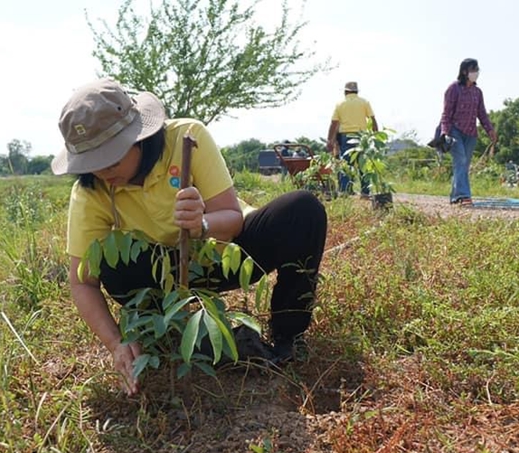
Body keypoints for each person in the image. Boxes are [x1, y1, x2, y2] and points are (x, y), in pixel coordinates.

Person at [52, 79, 328, 396]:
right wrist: (116, 343)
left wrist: (202, 225)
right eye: (93, 164)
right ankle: (166, 332)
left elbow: (232, 219)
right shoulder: (89, 192)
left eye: (112, 159)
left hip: (222, 252)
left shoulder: (187, 138)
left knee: (302, 211)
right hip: (161, 278)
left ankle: (287, 336)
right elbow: (82, 282)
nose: (103, 172)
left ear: (138, 138)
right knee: (112, 266)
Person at [441, 58, 498, 206]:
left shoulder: (477, 92)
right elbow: (446, 113)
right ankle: (463, 195)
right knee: (460, 160)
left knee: (463, 165)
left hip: (471, 133)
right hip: (454, 131)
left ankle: (455, 197)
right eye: (473, 70)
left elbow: (482, 113)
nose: (476, 73)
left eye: (477, 70)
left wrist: (490, 130)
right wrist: (445, 132)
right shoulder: (453, 89)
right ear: (464, 71)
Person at [326, 81, 378, 198]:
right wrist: (375, 136)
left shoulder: (340, 104)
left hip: (346, 136)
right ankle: (365, 192)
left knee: (345, 164)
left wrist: (330, 140)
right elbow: (372, 119)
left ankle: (345, 190)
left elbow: (334, 123)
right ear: (357, 91)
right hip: (362, 137)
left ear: (345, 92)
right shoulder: (364, 102)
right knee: (363, 164)